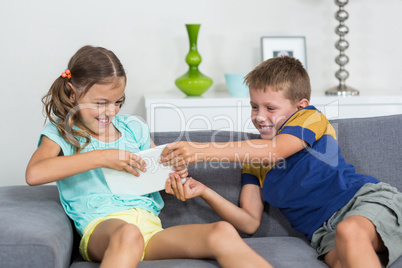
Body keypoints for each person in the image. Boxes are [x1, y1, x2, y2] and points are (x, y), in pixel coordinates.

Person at [25, 45, 272, 268]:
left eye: (118, 102)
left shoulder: (135, 128)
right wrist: (103, 157)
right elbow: (35, 173)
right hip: (104, 230)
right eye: (101, 103)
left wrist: (175, 178)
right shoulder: (62, 132)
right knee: (128, 234)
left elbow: (157, 171)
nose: (111, 111)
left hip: (151, 231)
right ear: (71, 93)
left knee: (222, 232)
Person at [162, 56, 402, 268]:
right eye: (254, 106)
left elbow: (276, 150)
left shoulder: (310, 118)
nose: (259, 116)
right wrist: (204, 191)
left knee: (349, 231)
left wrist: (200, 150)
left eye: (270, 108)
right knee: (341, 260)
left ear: (300, 107)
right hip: (323, 233)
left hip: (361, 203)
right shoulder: (254, 160)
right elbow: (249, 222)